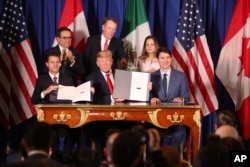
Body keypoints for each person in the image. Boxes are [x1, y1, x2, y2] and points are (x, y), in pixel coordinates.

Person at [31, 50, 76, 164]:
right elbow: (34, 100)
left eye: (57, 62)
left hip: (67, 115)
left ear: (60, 63)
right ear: (47, 64)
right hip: (49, 117)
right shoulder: (41, 80)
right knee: (53, 133)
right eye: (52, 62)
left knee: (75, 130)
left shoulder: (68, 78)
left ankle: (66, 156)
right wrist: (45, 91)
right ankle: (54, 157)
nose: (55, 65)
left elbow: (74, 97)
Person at [150, 47, 190, 150]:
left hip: (175, 119)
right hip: (156, 118)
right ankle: (154, 160)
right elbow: (148, 97)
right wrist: (151, 98)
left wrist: (181, 99)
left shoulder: (180, 76)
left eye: (168, 57)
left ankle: (172, 158)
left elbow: (186, 96)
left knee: (180, 132)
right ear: (158, 60)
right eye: (162, 58)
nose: (165, 61)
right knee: (149, 134)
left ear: (171, 59)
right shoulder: (152, 76)